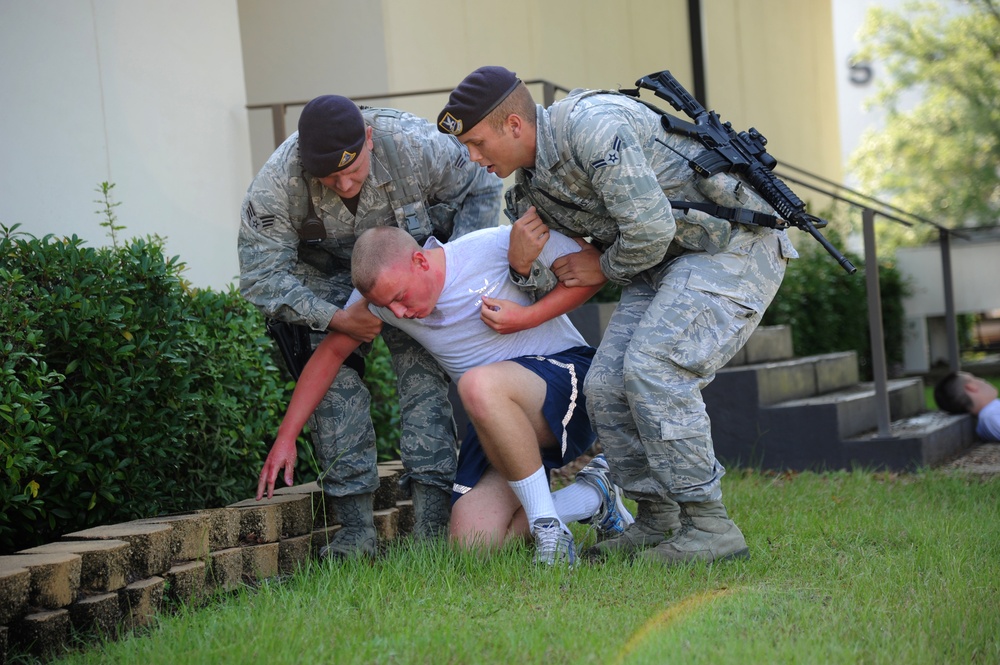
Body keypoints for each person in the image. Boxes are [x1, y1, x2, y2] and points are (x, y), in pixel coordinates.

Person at [437, 65, 799, 565]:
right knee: (605, 385)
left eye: (478, 143)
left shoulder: (592, 127)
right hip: (662, 266)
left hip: (730, 250)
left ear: (514, 126)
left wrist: (601, 264)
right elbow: (562, 274)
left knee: (655, 368)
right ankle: (657, 518)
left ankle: (710, 525)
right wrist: (521, 267)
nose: (474, 158)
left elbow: (646, 232)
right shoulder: (530, 192)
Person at [257, 222, 634, 565]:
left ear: (420, 260)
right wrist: (286, 437)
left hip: (567, 382)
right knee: (473, 543)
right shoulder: (386, 302)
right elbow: (330, 354)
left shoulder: (493, 245)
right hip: (498, 417)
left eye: (400, 297)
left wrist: (526, 317)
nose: (399, 314)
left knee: (476, 384)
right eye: (387, 306)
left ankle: (548, 533)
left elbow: (595, 270)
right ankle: (593, 496)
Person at [239, 94, 503, 559]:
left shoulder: (416, 144)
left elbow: (481, 184)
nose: (342, 184)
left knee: (422, 379)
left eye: (352, 169)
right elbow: (261, 277)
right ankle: (355, 529)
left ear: (369, 139)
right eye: (329, 177)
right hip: (323, 284)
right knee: (332, 386)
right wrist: (336, 317)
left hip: (407, 269)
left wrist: (453, 268)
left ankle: (430, 523)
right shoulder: (278, 182)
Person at [934, 372, 1000, 442]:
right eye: (975, 378)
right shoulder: (991, 416)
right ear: (971, 387)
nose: (982, 380)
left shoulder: (992, 412)